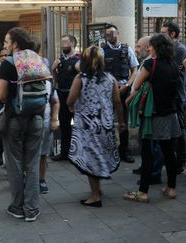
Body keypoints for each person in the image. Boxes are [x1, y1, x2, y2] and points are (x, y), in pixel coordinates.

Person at [0, 27, 48, 222]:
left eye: (7, 41)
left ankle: (18, 207)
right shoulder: (39, 60)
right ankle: (32, 209)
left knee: (16, 165)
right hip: (37, 117)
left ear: (15, 44)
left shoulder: (8, 63)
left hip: (15, 119)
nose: (5, 45)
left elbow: (1, 96)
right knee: (33, 164)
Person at [124, 33, 181, 203]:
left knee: (147, 153)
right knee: (169, 152)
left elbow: (137, 85)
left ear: (155, 47)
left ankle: (143, 192)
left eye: (150, 46)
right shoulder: (173, 64)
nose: (148, 48)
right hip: (170, 114)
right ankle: (171, 189)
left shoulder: (151, 63)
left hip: (153, 116)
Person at [67, 46, 125, 207]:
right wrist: (121, 122)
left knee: (91, 160)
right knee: (100, 157)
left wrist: (72, 107)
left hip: (87, 125)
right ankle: (98, 190)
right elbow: (117, 102)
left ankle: (95, 196)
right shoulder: (110, 78)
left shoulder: (80, 78)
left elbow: (70, 100)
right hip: (105, 125)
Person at [102, 24, 139, 163]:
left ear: (118, 33)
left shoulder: (127, 49)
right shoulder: (102, 51)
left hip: (124, 89)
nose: (109, 36)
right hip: (107, 91)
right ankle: (108, 152)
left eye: (111, 33)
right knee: (107, 121)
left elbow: (134, 70)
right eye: (107, 34)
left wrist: (127, 85)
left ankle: (124, 151)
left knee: (123, 121)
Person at [131, 36, 164, 186]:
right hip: (146, 107)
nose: (136, 50)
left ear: (148, 47)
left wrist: (130, 97)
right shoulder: (147, 62)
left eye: (139, 46)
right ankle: (146, 168)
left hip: (150, 109)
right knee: (144, 141)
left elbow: (138, 85)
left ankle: (154, 173)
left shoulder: (152, 63)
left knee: (152, 143)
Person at [161, 21, 186, 174]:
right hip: (168, 94)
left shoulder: (180, 49)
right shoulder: (166, 49)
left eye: (164, 32)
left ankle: (181, 161)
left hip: (178, 95)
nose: (161, 34)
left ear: (172, 34)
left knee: (180, 130)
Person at [51, 34, 80, 161]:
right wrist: (53, 70)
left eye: (65, 43)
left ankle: (78, 153)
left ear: (72, 43)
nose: (63, 45)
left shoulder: (79, 59)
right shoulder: (60, 59)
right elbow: (56, 80)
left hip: (75, 96)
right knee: (64, 125)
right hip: (61, 94)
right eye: (61, 43)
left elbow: (83, 77)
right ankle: (64, 153)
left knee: (78, 125)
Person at [38, 77, 59, 194]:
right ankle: (27, 178)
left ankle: (41, 179)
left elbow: (55, 102)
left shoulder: (48, 83)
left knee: (43, 154)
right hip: (27, 125)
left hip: (45, 124)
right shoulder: (22, 81)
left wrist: (54, 119)